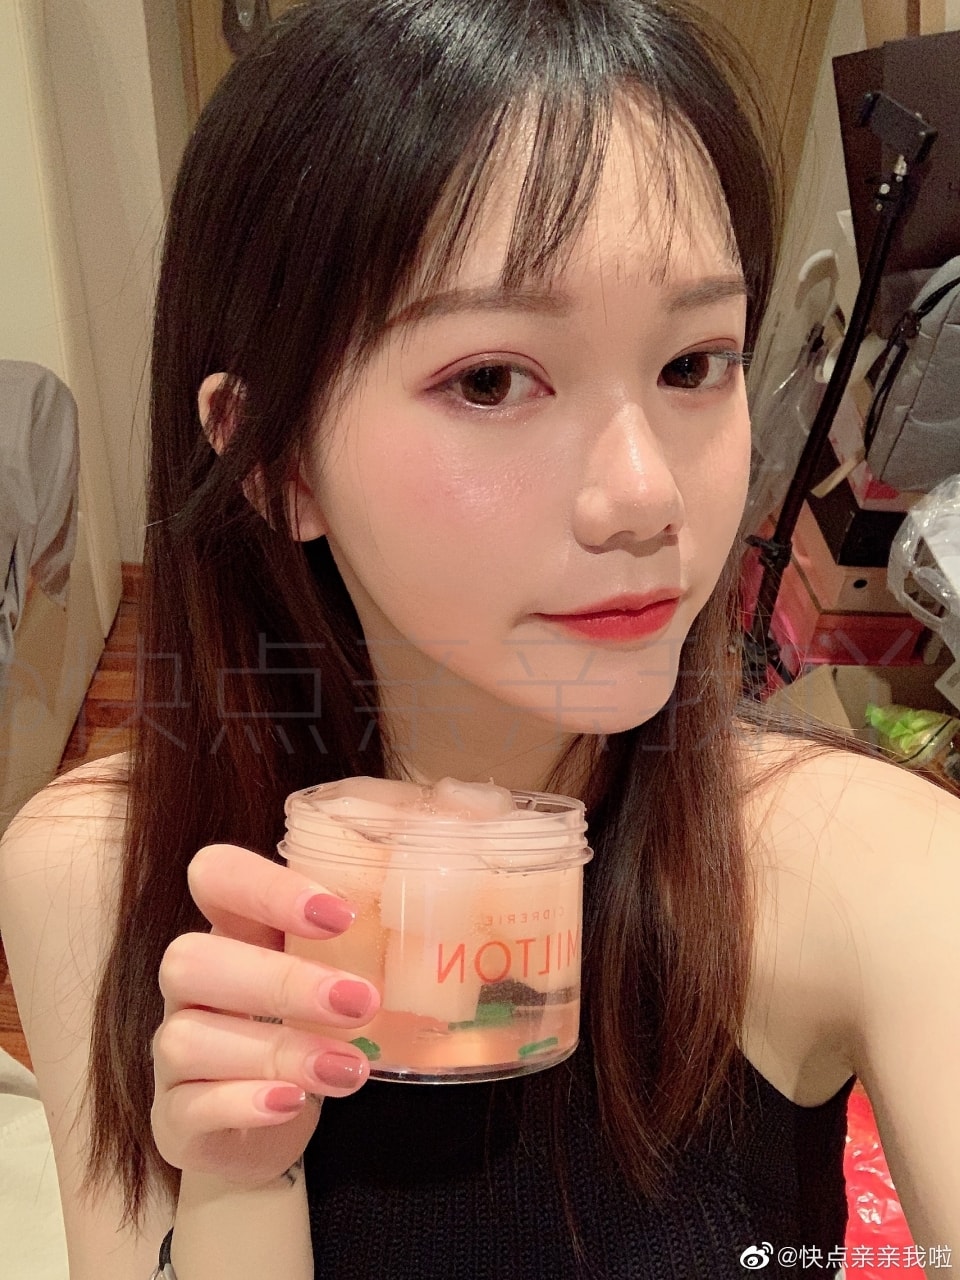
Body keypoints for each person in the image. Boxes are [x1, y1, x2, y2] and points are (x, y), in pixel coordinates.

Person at [1, 2, 958, 1277]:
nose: (645, 498)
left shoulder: (860, 859)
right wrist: (236, 1179)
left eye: (693, 363)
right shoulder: (97, 871)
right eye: (492, 379)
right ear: (273, 458)